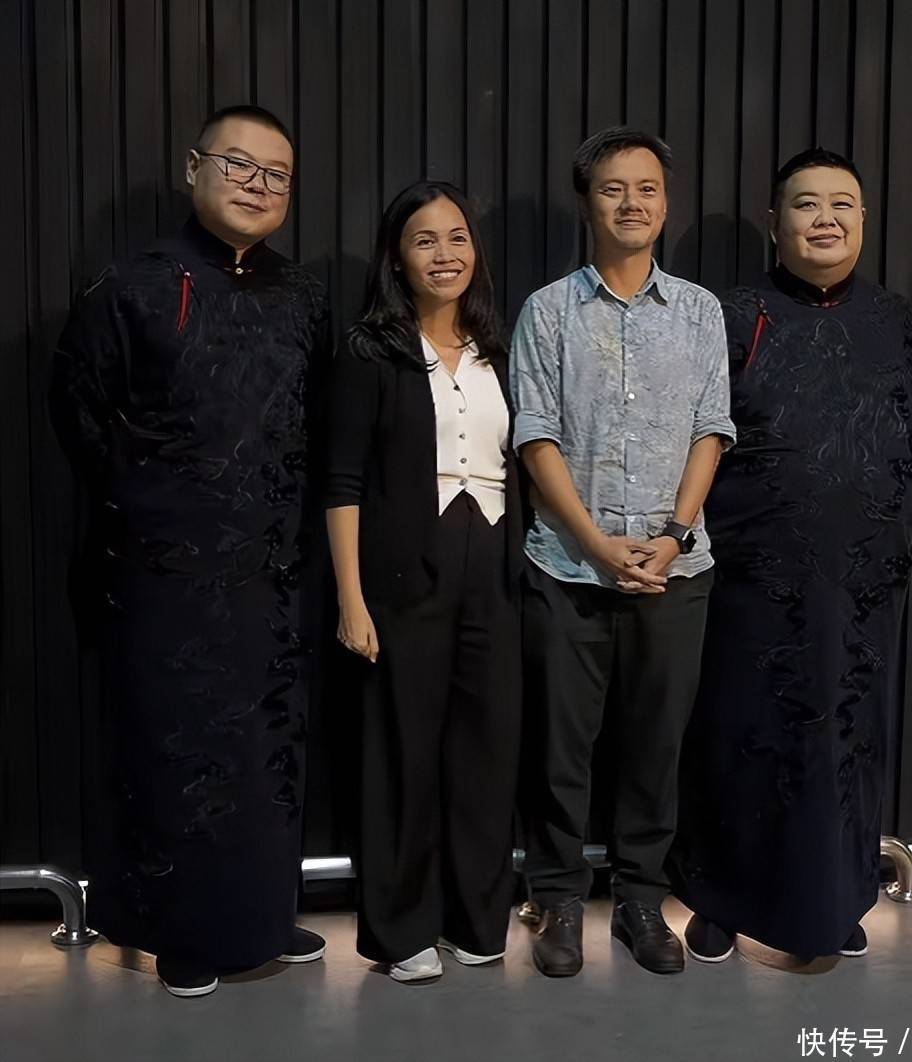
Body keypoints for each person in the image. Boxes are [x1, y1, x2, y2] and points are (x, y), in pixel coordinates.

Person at [50, 105, 332, 997]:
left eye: (276, 174)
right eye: (239, 164)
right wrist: (154, 504)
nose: (257, 185)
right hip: (162, 571)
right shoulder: (131, 286)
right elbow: (78, 410)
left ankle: (261, 918)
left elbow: (320, 424)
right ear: (193, 167)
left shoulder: (303, 296)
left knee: (267, 750)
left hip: (273, 568)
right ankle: (179, 935)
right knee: (175, 753)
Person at [668, 148, 912, 963]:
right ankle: (718, 900)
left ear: (864, 219)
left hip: (862, 583)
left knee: (846, 745)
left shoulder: (894, 320)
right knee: (741, 737)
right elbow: (696, 436)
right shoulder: (733, 315)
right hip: (754, 580)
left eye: (842, 204)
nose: (826, 219)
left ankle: (837, 897)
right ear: (775, 222)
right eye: (806, 204)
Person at [510, 127, 736, 977]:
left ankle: (642, 898)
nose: (632, 202)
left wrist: (673, 535)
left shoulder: (701, 311)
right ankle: (559, 899)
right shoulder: (547, 311)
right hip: (567, 567)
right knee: (561, 749)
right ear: (587, 203)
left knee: (656, 745)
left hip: (677, 571)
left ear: (665, 203)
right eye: (614, 188)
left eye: (647, 188)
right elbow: (536, 436)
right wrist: (597, 544)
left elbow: (712, 427)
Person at [324, 181, 523, 984]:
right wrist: (351, 600)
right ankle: (402, 930)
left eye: (457, 237)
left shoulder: (499, 348)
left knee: (486, 752)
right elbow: (342, 481)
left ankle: (476, 919)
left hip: (496, 567)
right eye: (424, 240)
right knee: (401, 753)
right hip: (403, 568)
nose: (445, 254)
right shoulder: (369, 351)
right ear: (397, 259)